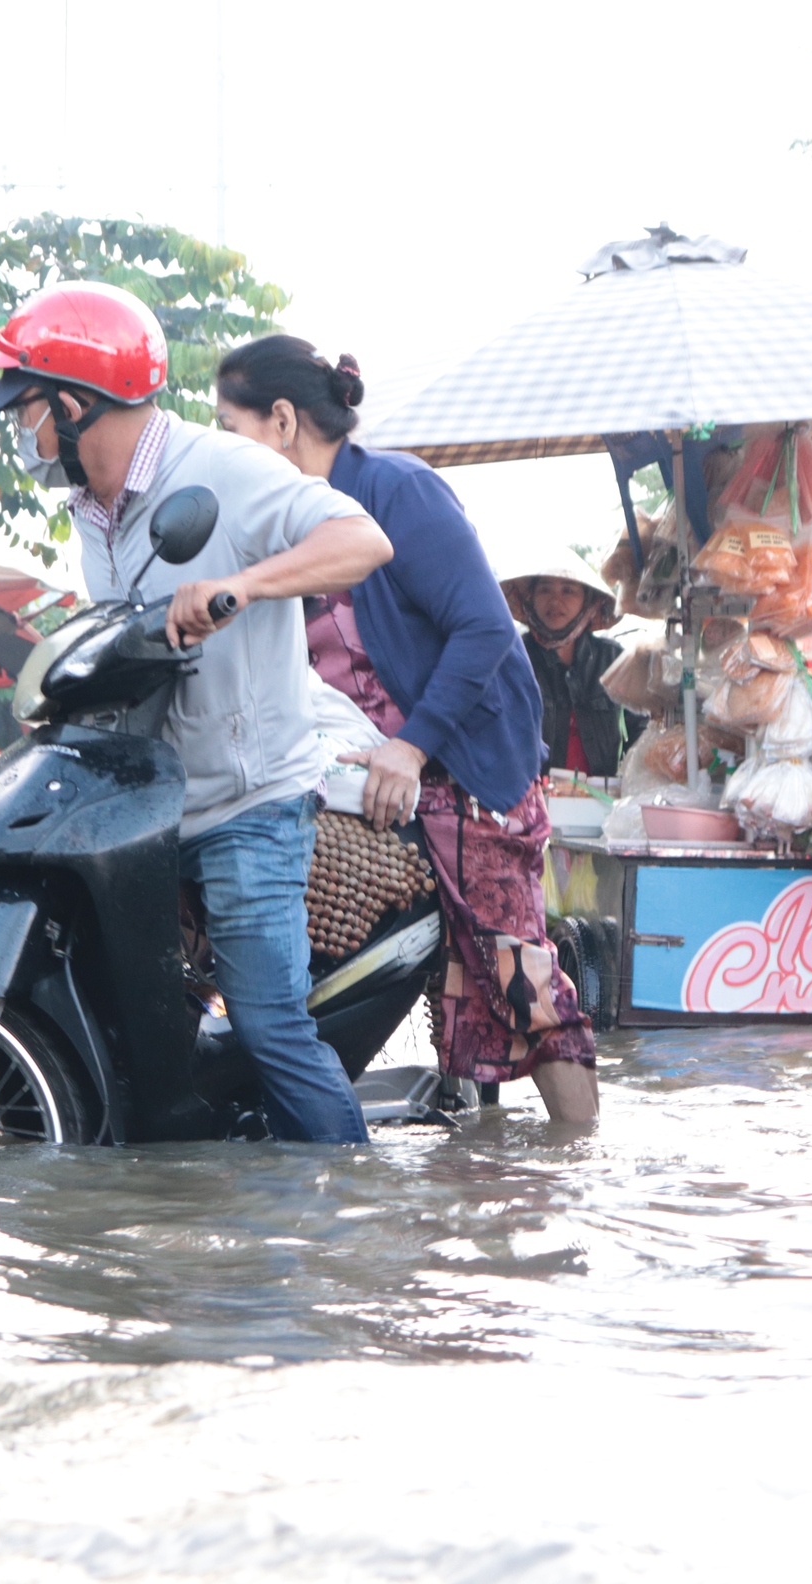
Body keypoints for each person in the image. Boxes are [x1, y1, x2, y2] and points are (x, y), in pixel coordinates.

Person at [0, 282, 394, 1144]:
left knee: (272, 1026)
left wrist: (238, 586)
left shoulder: (226, 469)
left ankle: (345, 1219)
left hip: (250, 806)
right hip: (151, 808)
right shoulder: (93, 507)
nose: (19, 431)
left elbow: (361, 541)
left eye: (24, 409)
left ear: (74, 403)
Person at [213, 334, 598, 1124]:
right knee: (441, 988)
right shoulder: (283, 524)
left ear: (282, 421)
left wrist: (413, 745)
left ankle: (577, 1168)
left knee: (519, 982)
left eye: (231, 426)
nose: (222, 448)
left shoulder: (397, 490)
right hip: (375, 784)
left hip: (468, 777)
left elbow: (486, 630)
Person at [499, 562, 634, 778]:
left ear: (587, 600)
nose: (555, 601)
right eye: (545, 589)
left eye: (568, 590)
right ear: (531, 597)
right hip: (532, 801)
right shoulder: (513, 658)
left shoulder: (612, 659)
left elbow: (640, 727)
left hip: (600, 799)